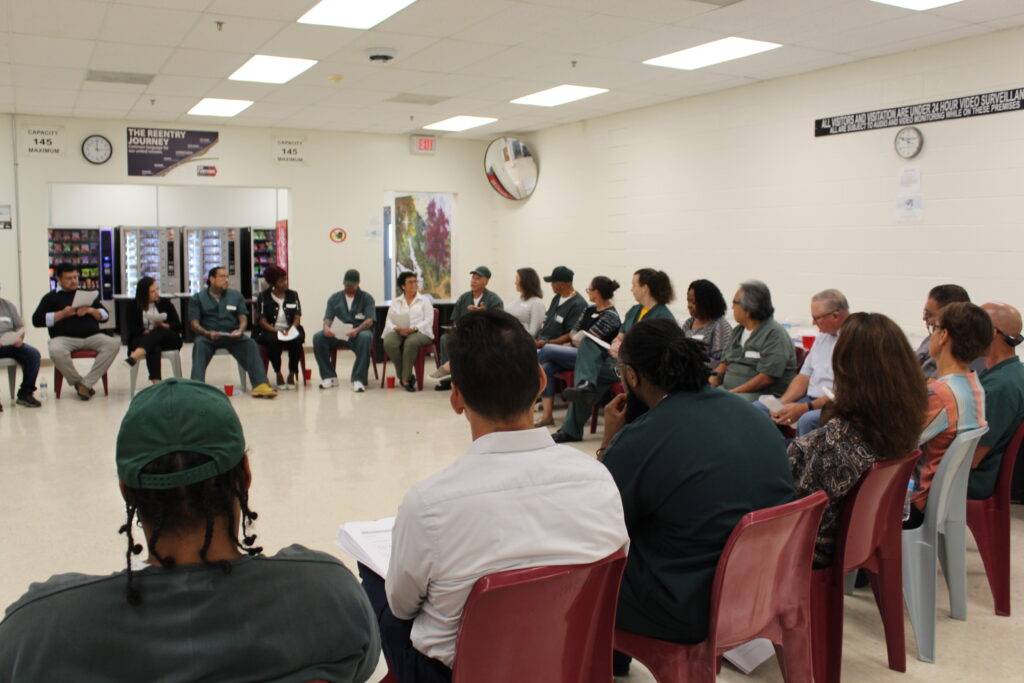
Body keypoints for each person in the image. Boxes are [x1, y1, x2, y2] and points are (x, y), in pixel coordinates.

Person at [0, 378, 380, 681]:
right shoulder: (329, 599)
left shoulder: (36, 634)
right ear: (245, 476)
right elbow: (362, 666)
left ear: (126, 491)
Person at [362, 309, 627, 683]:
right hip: (565, 660)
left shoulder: (430, 504)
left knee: (373, 583)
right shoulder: (598, 479)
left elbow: (403, 608)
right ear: (539, 380)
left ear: (456, 398)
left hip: (457, 673)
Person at [599, 318, 795, 676]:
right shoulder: (751, 415)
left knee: (588, 568)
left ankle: (607, 660)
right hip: (765, 587)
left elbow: (600, 522)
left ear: (632, 376)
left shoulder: (644, 438)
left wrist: (610, 444)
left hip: (687, 605)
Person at [788, 313, 928, 566]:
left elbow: (792, 513)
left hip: (812, 551)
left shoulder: (828, 444)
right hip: (864, 537)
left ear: (843, 367)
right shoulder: (904, 423)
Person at [553, 268, 675, 443]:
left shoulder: (663, 316)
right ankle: (581, 399)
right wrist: (618, 342)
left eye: (634, 285)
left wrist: (626, 349)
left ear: (645, 288)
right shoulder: (635, 310)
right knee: (588, 352)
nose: (631, 289)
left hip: (639, 368)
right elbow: (621, 334)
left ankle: (583, 393)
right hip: (618, 364)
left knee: (589, 378)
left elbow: (655, 350)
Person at [910, 301, 992, 527]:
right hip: (944, 498)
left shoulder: (940, 394)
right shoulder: (973, 383)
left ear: (944, 335)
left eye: (934, 327)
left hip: (916, 501)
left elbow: (898, 442)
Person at [755, 289, 850, 436]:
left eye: (816, 318)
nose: (813, 323)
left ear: (836, 316)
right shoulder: (823, 338)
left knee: (807, 419)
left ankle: (799, 457)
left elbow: (842, 392)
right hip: (809, 400)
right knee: (759, 407)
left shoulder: (853, 341)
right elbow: (804, 375)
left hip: (834, 405)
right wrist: (783, 403)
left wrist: (806, 408)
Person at [535, 275, 621, 427]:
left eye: (590, 289)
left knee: (546, 349)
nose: (587, 292)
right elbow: (573, 332)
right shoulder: (589, 309)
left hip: (593, 360)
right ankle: (547, 416)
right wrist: (577, 338)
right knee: (547, 366)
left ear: (598, 292)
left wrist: (577, 338)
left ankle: (526, 389)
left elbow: (588, 341)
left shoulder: (611, 316)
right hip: (575, 353)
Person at [31, 263, 120, 401]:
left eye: (75, 277)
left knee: (113, 343)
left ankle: (86, 383)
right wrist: (62, 314)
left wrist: (91, 310)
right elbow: (36, 321)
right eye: (69, 278)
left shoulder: (86, 294)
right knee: (55, 349)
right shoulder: (50, 297)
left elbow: (105, 315)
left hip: (92, 336)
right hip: (64, 338)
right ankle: (79, 382)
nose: (73, 281)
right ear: (59, 279)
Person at [189, 266, 277, 398]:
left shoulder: (235, 295)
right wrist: (207, 333)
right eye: (222, 277)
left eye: (227, 277)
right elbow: (194, 323)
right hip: (208, 336)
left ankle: (260, 384)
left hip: (232, 335)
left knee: (250, 343)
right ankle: (197, 386)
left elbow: (243, 318)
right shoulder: (198, 298)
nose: (226, 280)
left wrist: (240, 330)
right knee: (199, 344)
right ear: (211, 279)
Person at [968, 303, 1024, 500]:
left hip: (974, 479)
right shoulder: (1012, 373)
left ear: (991, 332)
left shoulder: (1001, 386)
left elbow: (972, 458)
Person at [710, 279, 797, 401]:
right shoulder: (738, 331)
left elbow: (766, 378)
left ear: (748, 310)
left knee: (725, 404)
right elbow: (724, 363)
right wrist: (711, 381)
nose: (732, 307)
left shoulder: (774, 335)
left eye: (735, 303)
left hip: (763, 396)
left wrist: (732, 393)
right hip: (731, 391)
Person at [433, 266, 503, 391]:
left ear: (486, 281)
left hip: (484, 336)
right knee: (445, 339)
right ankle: (448, 379)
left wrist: (485, 312)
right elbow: (455, 319)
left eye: (478, 278)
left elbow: (498, 322)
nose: (473, 281)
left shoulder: (494, 300)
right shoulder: (464, 298)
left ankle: (467, 380)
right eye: (473, 278)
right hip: (464, 334)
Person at [313, 269, 376, 393]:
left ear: (358, 283)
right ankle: (329, 376)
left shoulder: (367, 298)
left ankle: (358, 379)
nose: (349, 287)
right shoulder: (334, 298)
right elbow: (328, 318)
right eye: (347, 285)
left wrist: (357, 329)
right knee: (318, 337)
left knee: (365, 338)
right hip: (337, 334)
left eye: (352, 285)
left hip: (358, 333)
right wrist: (326, 328)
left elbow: (369, 320)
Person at [124, 277, 183, 386]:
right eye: (152, 291)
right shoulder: (132, 306)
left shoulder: (165, 303)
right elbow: (131, 328)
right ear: (143, 293)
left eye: (157, 289)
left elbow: (178, 326)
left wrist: (164, 325)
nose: (156, 293)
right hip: (144, 338)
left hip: (168, 338)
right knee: (153, 345)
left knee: (159, 329)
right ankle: (157, 383)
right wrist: (144, 331)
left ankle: (135, 356)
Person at [382, 272, 434, 392]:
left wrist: (414, 328)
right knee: (389, 342)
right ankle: (407, 375)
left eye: (415, 281)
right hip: (400, 330)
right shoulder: (396, 302)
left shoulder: (424, 300)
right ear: (403, 286)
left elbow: (428, 320)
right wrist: (397, 328)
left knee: (410, 342)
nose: (414, 284)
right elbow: (389, 320)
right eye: (410, 282)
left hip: (420, 332)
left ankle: (405, 379)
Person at [254, 266, 304, 390]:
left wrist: (290, 329)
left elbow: (297, 317)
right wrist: (278, 331)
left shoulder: (293, 294)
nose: (285, 283)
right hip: (270, 329)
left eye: (285, 279)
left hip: (289, 328)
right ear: (273, 284)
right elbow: (262, 321)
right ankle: (278, 372)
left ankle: (292, 373)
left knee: (297, 339)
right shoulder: (263, 296)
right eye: (281, 281)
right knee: (273, 340)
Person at [917, 284, 972, 378]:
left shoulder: (956, 354)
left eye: (929, 314)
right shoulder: (931, 338)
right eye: (925, 312)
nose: (924, 318)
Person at [0, 283, 41, 409]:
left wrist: (18, 338)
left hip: (10, 344)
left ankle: (25, 393)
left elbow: (19, 328)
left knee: (33, 354)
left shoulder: (8, 306)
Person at [680, 278, 731, 371]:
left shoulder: (720, 326)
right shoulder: (689, 322)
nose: (689, 305)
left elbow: (718, 361)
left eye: (693, 302)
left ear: (707, 303)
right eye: (688, 301)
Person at [535, 265, 587, 348]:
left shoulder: (578, 304)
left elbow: (570, 334)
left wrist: (547, 343)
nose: (551, 285)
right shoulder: (557, 297)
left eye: (553, 282)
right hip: (542, 341)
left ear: (561, 284)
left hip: (556, 346)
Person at [505, 267, 546, 337]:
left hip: (520, 341)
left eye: (517, 279)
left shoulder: (537, 303)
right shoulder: (517, 299)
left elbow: (533, 333)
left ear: (525, 282)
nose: (515, 283)